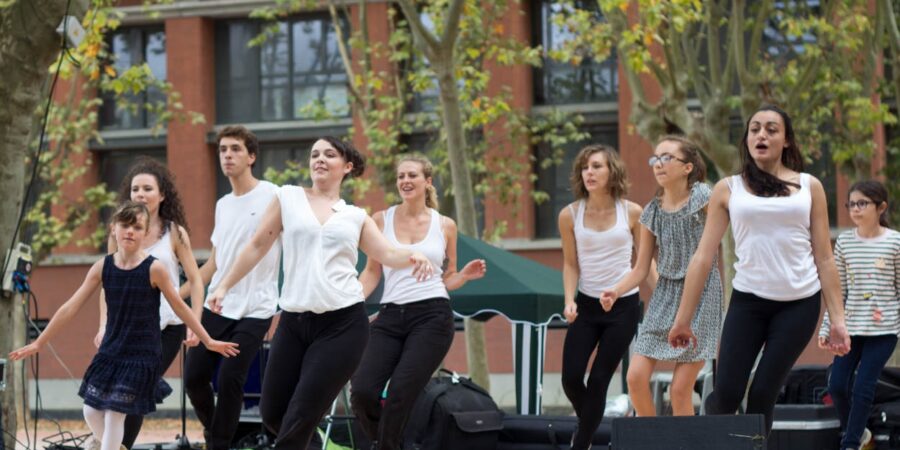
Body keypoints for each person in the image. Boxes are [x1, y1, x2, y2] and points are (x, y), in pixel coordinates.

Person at [206, 137, 435, 449]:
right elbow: (257, 245)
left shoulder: (355, 216)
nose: (320, 159)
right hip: (294, 322)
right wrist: (223, 285)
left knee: (300, 416)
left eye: (329, 154)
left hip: (342, 326)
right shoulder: (288, 197)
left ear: (347, 166)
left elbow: (388, 253)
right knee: (273, 413)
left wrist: (414, 254)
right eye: (315, 154)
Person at [668, 105, 851, 433]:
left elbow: (825, 258)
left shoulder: (809, 187)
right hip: (748, 302)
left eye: (771, 129)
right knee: (726, 395)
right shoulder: (728, 188)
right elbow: (703, 257)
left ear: (786, 141)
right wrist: (683, 319)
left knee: (764, 394)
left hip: (799, 304)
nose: (761, 135)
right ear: (747, 139)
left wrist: (838, 320)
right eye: (755, 129)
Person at [9, 202, 239, 450]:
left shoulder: (155, 269)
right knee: (90, 410)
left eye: (137, 227)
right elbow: (70, 307)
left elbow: (180, 308)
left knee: (114, 414)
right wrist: (39, 342)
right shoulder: (102, 267)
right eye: (125, 225)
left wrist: (207, 340)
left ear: (145, 233)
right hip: (111, 351)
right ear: (114, 228)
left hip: (141, 355)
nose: (130, 231)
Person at [351, 154, 487, 450]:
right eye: (401, 176)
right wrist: (351, 302)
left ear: (428, 181)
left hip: (432, 317)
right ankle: (388, 444)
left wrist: (463, 276)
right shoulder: (380, 220)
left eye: (412, 175)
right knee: (362, 391)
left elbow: (447, 278)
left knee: (400, 393)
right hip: (390, 316)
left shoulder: (445, 225)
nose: (405, 181)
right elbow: (372, 272)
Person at [601, 136, 722, 417]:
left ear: (687, 167)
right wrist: (616, 291)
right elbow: (641, 269)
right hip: (665, 295)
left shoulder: (704, 196)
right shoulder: (652, 212)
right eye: (655, 158)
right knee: (635, 379)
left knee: (679, 390)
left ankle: (683, 440)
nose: (658, 164)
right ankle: (652, 436)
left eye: (667, 157)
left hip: (702, 294)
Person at [95, 158, 207, 449]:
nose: (140, 194)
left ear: (162, 194)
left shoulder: (174, 232)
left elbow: (196, 281)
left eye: (147, 188)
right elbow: (108, 284)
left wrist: (195, 322)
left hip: (166, 328)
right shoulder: (119, 231)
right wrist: (104, 325)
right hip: (125, 330)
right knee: (106, 398)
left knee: (131, 393)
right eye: (135, 189)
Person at [181, 126, 281, 450]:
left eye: (235, 149)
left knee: (229, 379)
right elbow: (214, 263)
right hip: (218, 304)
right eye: (223, 149)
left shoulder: (273, 196)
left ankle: (220, 444)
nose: (227, 155)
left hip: (257, 308)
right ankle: (219, 434)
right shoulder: (223, 204)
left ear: (251, 156)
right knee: (194, 378)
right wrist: (175, 295)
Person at [559, 145, 644, 450]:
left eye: (596, 166)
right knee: (570, 378)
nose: (589, 173)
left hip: (623, 306)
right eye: (585, 167)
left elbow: (644, 263)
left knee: (598, 380)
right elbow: (571, 264)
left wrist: (667, 298)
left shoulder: (632, 212)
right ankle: (590, 425)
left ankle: (581, 443)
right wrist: (569, 300)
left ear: (612, 171)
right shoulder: (569, 215)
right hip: (586, 305)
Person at [817, 180, 899, 450]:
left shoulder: (895, 242)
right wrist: (827, 328)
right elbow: (837, 290)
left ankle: (850, 444)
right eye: (851, 204)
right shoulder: (844, 242)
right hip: (850, 329)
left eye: (862, 203)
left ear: (881, 207)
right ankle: (860, 433)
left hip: (884, 330)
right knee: (837, 385)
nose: (855, 209)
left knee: (863, 386)